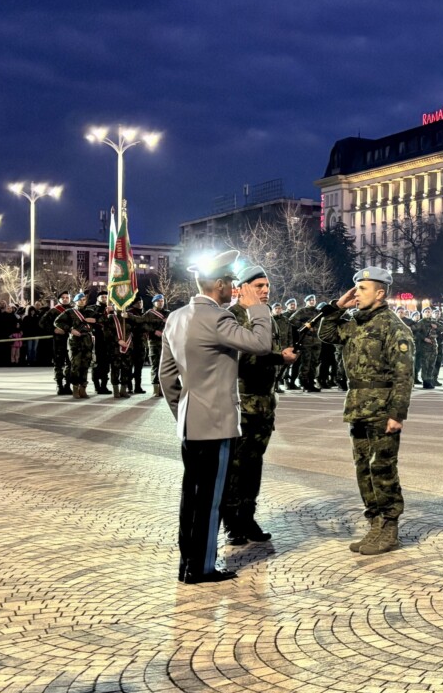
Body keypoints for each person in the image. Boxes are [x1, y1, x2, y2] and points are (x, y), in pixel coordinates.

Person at [159, 250, 272, 585]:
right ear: (220, 285)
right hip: (217, 423)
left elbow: (166, 376)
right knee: (210, 500)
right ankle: (201, 568)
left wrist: (184, 409)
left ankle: (187, 562)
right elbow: (260, 343)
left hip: (190, 421)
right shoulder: (218, 318)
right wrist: (257, 308)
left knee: (191, 497)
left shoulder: (176, 317)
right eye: (232, 284)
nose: (235, 289)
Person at [318, 266, 414, 556]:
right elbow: (326, 332)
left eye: (362, 289)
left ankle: (389, 527)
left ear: (380, 293)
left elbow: (404, 376)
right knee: (363, 467)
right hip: (358, 405)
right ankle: (375, 523)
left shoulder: (394, 327)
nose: (356, 294)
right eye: (356, 288)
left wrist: (397, 415)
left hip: (382, 407)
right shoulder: (354, 322)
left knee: (382, 467)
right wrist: (337, 307)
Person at [220, 265, 299, 546]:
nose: (265, 291)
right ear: (241, 288)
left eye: (267, 286)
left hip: (264, 402)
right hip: (242, 402)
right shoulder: (232, 317)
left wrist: (282, 357)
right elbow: (245, 358)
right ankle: (231, 523)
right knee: (236, 465)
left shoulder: (267, 318)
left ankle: (248, 516)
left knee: (254, 464)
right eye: (258, 286)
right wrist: (280, 358)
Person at [54, 292, 97, 398]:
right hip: (75, 342)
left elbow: (103, 320)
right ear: (76, 301)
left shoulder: (90, 312)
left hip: (87, 341)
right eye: (80, 300)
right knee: (75, 366)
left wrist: (95, 320)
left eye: (84, 300)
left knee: (85, 366)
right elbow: (57, 322)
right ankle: (75, 389)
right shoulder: (70, 312)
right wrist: (70, 329)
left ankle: (83, 389)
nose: (82, 301)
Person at [41, 292, 72, 395]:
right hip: (59, 341)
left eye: (67, 297)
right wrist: (53, 330)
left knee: (70, 363)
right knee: (58, 363)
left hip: (72, 341)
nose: (65, 299)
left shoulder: (73, 310)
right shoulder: (54, 310)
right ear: (59, 299)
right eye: (63, 298)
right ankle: (59, 386)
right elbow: (42, 323)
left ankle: (68, 385)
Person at [144, 294, 169, 397]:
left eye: (162, 301)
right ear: (154, 302)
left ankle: (163, 389)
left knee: (165, 366)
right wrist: (153, 331)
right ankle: (155, 388)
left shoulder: (168, 313)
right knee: (155, 365)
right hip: (154, 342)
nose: (161, 303)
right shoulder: (149, 314)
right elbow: (143, 324)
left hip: (166, 343)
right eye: (158, 301)